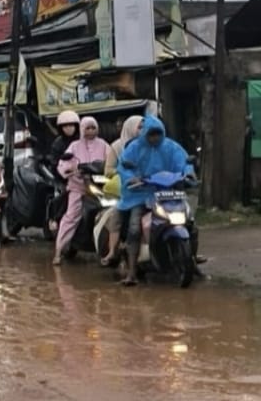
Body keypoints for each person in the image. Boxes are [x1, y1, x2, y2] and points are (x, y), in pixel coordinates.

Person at [116, 115, 193, 286]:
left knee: (190, 221)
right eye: (151, 134)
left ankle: (192, 260)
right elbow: (123, 166)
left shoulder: (172, 147)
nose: (155, 138)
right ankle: (132, 272)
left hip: (169, 194)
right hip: (141, 195)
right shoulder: (134, 148)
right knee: (135, 228)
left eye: (158, 134)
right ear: (145, 134)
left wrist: (188, 173)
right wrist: (132, 178)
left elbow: (184, 163)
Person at [53, 116, 110, 265]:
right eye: (87, 128)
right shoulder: (74, 146)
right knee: (71, 216)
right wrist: (71, 169)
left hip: (100, 188)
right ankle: (59, 251)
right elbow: (63, 164)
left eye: (93, 128)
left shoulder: (103, 145)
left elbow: (111, 161)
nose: (90, 131)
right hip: (78, 187)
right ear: (82, 130)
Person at [99, 114, 144, 266]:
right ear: (130, 128)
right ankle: (113, 251)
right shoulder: (117, 147)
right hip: (128, 191)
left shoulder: (150, 145)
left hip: (151, 189)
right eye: (140, 127)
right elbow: (108, 171)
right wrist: (124, 173)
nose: (143, 130)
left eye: (145, 127)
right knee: (119, 217)